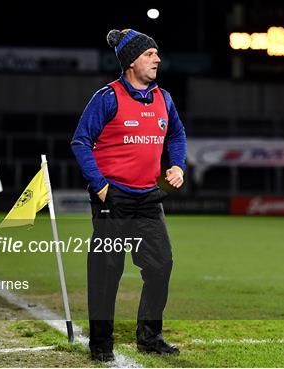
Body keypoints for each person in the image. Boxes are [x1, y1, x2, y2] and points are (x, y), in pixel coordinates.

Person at [71, 29, 187, 362]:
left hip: (149, 198)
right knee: (107, 270)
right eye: (150, 54)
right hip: (114, 198)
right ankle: (101, 343)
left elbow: (176, 134)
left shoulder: (164, 98)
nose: (157, 59)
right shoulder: (107, 97)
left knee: (161, 265)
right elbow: (80, 142)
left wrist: (177, 165)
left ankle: (149, 338)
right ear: (132, 61)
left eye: (156, 54)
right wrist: (102, 187)